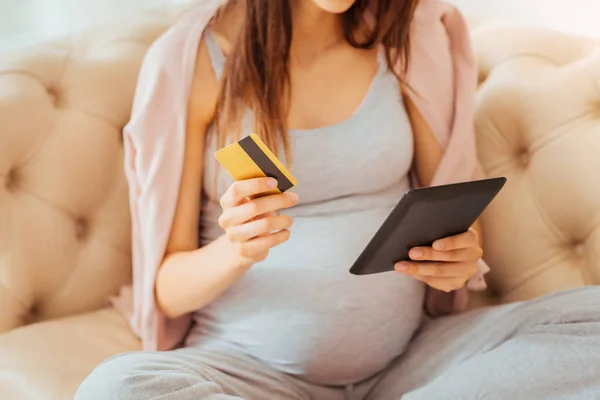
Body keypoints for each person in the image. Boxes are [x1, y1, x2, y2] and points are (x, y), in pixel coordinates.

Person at [75, 0, 600, 399]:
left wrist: (458, 261)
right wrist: (236, 249)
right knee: (119, 387)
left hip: (412, 364)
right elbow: (165, 290)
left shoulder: (408, 39)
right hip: (248, 374)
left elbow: (452, 209)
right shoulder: (194, 58)